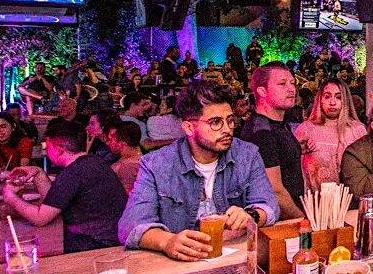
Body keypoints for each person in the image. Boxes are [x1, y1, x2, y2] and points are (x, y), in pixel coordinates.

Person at [118, 82, 277, 259]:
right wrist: (167, 241)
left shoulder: (247, 154)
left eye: (230, 120)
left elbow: (269, 207)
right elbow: (130, 226)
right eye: (216, 122)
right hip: (179, 264)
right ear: (189, 128)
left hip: (235, 258)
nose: (227, 129)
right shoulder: (156, 164)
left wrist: (251, 215)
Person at [1, 119, 125, 253]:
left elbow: (40, 218)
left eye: (48, 147)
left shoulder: (73, 172)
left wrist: (10, 197)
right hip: (113, 236)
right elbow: (53, 203)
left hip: (97, 245)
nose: (46, 151)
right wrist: (38, 173)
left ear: (59, 150)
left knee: (31, 247)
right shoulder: (92, 162)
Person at [237, 63, 305, 220]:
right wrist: (303, 221)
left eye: (292, 83)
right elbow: (275, 190)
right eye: (282, 84)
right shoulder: (261, 132)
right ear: (262, 91)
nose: (291, 89)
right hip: (278, 222)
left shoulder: (278, 124)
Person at [294, 79, 366, 191]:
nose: (332, 102)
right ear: (320, 99)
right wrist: (299, 151)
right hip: (315, 199)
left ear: (346, 100)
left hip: (352, 198)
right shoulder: (306, 129)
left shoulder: (358, 130)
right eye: (327, 97)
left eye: (338, 97)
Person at [107, 120, 143, 193]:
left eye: (111, 140)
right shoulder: (131, 158)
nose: (108, 143)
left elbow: (126, 194)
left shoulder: (128, 165)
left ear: (122, 143)